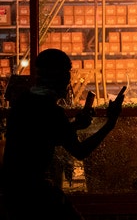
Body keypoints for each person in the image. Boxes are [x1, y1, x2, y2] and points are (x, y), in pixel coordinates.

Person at [0, 49, 125, 220]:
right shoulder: (51, 110)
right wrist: (110, 123)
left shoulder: (24, 102)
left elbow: (40, 135)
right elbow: (79, 151)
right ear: (59, 78)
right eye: (67, 74)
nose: (68, 80)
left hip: (13, 190)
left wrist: (74, 126)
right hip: (33, 193)